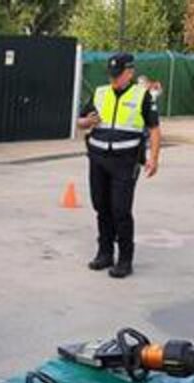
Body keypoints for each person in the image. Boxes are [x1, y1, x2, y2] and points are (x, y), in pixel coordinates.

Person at [78, 53, 160, 279]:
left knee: (120, 210)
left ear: (130, 72)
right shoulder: (100, 93)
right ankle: (105, 253)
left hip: (125, 161)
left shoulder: (142, 95)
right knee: (101, 206)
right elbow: (80, 121)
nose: (114, 80)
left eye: (119, 75)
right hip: (98, 158)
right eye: (112, 75)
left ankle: (125, 259)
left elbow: (154, 128)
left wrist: (153, 158)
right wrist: (87, 122)